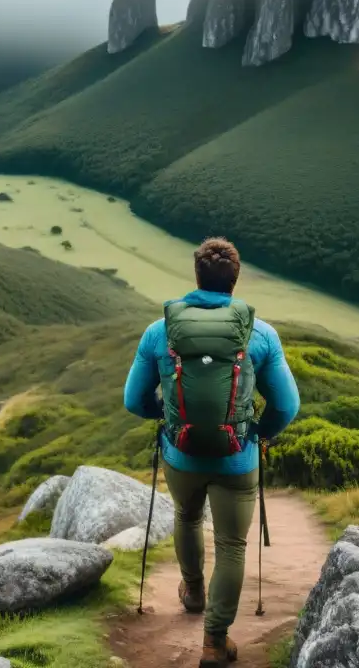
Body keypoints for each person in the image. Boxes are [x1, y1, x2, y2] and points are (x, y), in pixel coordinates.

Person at [123, 237, 300, 668]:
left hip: (181, 455)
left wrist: (168, 419)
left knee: (186, 517)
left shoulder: (159, 331)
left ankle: (193, 591)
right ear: (234, 281)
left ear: (197, 276)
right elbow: (287, 405)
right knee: (232, 546)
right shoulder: (261, 334)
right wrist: (257, 433)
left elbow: (133, 399)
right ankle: (214, 643)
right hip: (237, 458)